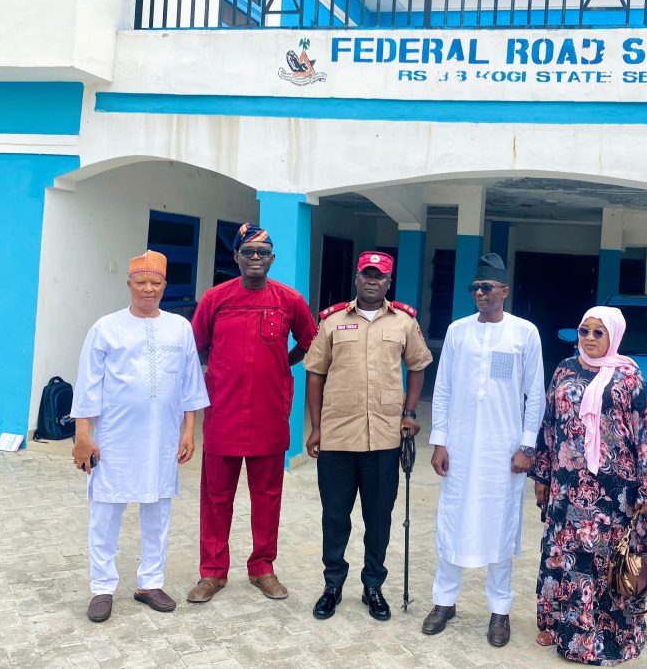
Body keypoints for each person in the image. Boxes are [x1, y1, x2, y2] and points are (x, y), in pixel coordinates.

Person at [71, 250, 209, 623]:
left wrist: (189, 431)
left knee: (157, 512)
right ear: (129, 284)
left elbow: (190, 383)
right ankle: (102, 587)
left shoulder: (179, 327)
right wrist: (83, 435)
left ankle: (150, 583)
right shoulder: (106, 327)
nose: (148, 289)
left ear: (165, 285)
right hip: (114, 441)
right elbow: (87, 385)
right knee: (105, 514)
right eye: (141, 282)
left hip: (161, 440)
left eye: (155, 282)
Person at [186, 223, 317, 604]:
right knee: (216, 497)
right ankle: (212, 572)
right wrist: (217, 371)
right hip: (224, 414)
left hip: (268, 414)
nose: (255, 258)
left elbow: (310, 341)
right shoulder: (216, 299)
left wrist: (281, 364)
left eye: (262, 252)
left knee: (267, 496)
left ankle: (262, 568)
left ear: (272, 259)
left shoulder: (290, 300)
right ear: (236, 257)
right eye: (248, 252)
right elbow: (195, 344)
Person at [422, 253, 545, 647]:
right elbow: (442, 388)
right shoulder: (457, 331)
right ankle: (444, 602)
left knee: (500, 526)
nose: (479, 293)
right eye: (475, 287)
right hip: (459, 447)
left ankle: (500, 610)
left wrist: (527, 445)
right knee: (452, 520)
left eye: (486, 287)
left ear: (504, 291)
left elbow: (535, 393)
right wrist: (440, 440)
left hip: (502, 450)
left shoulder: (524, 333)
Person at [530, 306, 647, 665]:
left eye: (598, 332)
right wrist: (542, 475)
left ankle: (610, 635)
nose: (589, 338)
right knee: (564, 556)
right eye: (584, 331)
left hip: (615, 491)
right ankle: (560, 626)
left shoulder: (629, 377)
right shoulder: (564, 369)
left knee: (611, 560)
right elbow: (549, 425)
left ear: (614, 335)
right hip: (566, 486)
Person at [303, 251, 433, 621]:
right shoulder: (332, 321)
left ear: (389, 282)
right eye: (367, 274)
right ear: (356, 278)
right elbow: (315, 373)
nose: (372, 281)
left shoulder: (404, 322)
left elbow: (418, 365)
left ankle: (373, 585)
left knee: (378, 518)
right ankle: (332, 585)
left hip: (385, 439)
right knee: (335, 517)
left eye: (380, 276)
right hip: (337, 438)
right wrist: (317, 427)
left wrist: (410, 413)